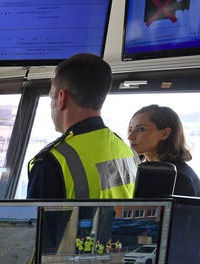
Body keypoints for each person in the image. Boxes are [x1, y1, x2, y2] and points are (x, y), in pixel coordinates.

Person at [27, 53, 139, 199]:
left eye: (51, 97)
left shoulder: (51, 162)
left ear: (62, 98)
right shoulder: (127, 152)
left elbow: (39, 222)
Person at [127, 104, 200, 197]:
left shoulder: (179, 178)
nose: (130, 136)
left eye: (140, 129)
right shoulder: (147, 170)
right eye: (130, 129)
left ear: (165, 134)